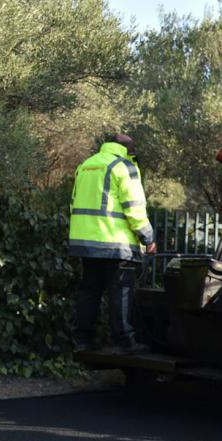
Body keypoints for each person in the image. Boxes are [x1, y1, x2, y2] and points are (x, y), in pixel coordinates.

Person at [68, 134, 156, 354]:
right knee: (121, 292)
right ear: (127, 149)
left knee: (89, 291)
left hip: (85, 242)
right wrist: (148, 238)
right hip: (116, 243)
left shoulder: (85, 166)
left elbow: (73, 203)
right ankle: (124, 342)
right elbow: (134, 208)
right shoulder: (123, 166)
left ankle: (82, 341)